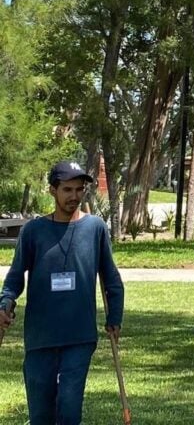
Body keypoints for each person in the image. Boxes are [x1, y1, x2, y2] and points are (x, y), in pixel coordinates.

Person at [0, 160, 125, 425]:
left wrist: (115, 316)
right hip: (40, 337)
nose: (74, 196)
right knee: (41, 415)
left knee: (69, 411)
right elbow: (15, 276)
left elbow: (111, 278)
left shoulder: (95, 229)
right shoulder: (33, 231)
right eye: (67, 190)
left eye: (79, 190)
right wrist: (6, 302)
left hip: (79, 336)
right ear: (52, 191)